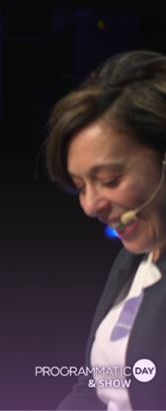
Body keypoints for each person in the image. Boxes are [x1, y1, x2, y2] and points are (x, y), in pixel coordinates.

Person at [46, 50, 166, 410]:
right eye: (81, 186)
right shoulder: (133, 261)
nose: (90, 205)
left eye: (110, 180)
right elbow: (92, 388)